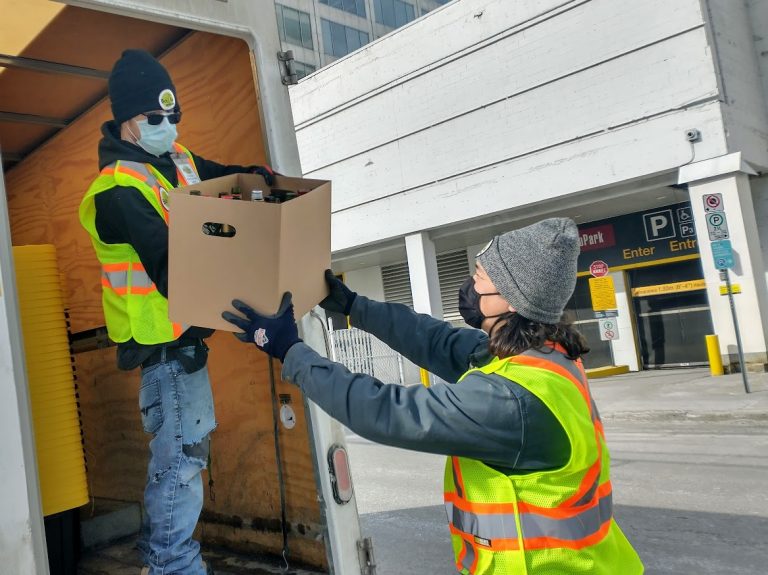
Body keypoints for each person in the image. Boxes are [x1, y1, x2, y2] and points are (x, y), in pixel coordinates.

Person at [223, 217, 644, 574]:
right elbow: (437, 341)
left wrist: (288, 350)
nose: (469, 287)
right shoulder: (542, 357)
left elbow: (387, 413)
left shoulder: (510, 401)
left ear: (510, 302)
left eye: (479, 280)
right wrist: (352, 305)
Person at [79, 49, 275, 575]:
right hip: (161, 353)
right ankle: (171, 565)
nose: (169, 127)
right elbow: (172, 269)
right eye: (156, 119)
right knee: (180, 466)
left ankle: (166, 562)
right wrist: (247, 292)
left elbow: (222, 180)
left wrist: (258, 179)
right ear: (128, 121)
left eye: (175, 117)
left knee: (186, 459)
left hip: (186, 348)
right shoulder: (119, 190)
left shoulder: (178, 163)